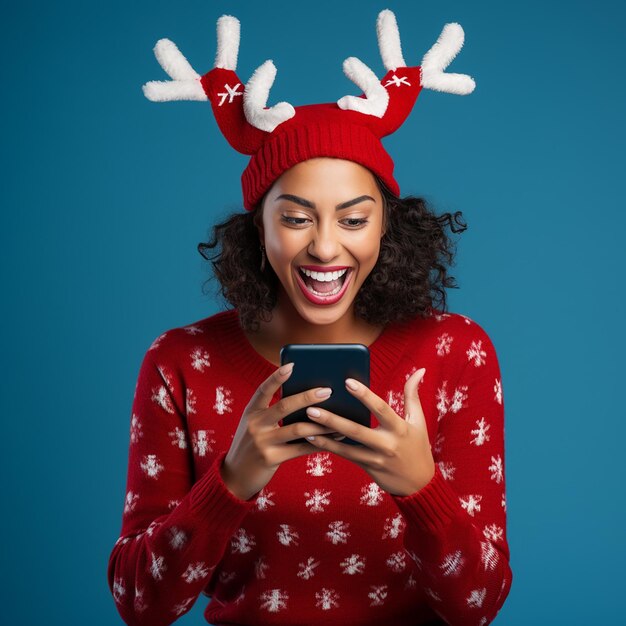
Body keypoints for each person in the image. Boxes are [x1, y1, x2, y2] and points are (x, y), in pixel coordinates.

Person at [107, 9, 512, 626]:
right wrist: (232, 479)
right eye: (296, 218)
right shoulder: (179, 362)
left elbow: (478, 607)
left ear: (388, 227)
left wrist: (420, 488)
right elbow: (141, 604)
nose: (325, 247)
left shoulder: (457, 351)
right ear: (258, 230)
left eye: (353, 219)